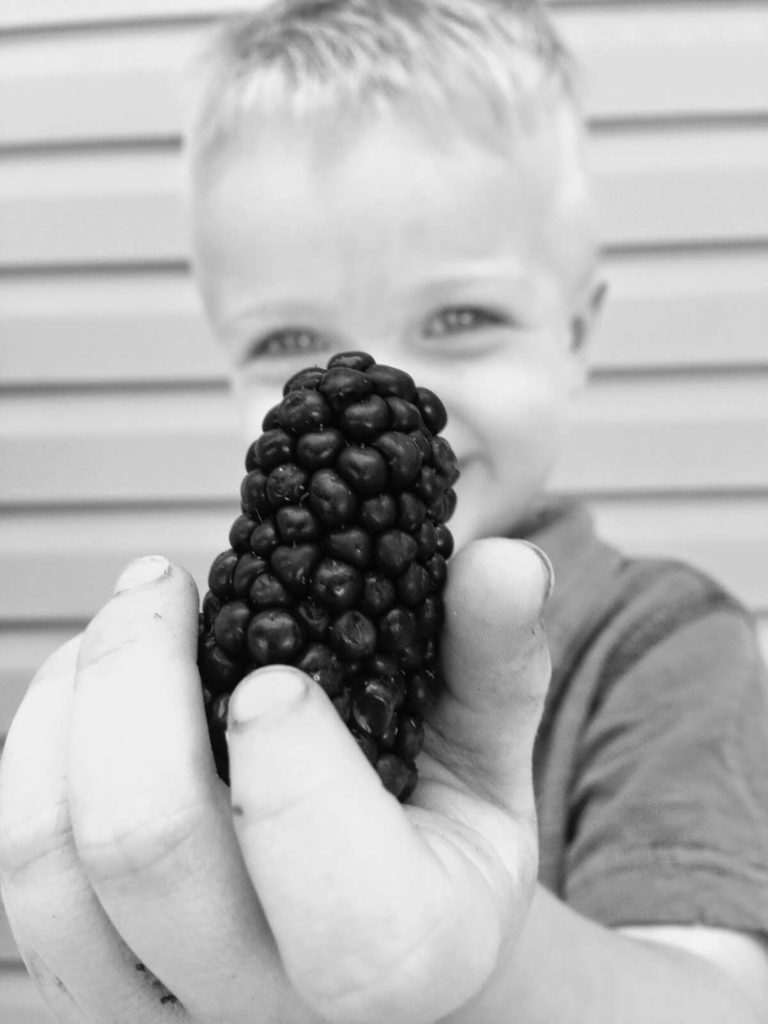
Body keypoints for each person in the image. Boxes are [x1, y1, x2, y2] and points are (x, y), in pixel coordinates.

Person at [1, 1, 767, 1021]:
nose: (381, 389)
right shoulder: (209, 664)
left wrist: (481, 953)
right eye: (287, 340)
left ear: (579, 333)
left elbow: (718, 999)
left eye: (462, 317)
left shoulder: (659, 643)